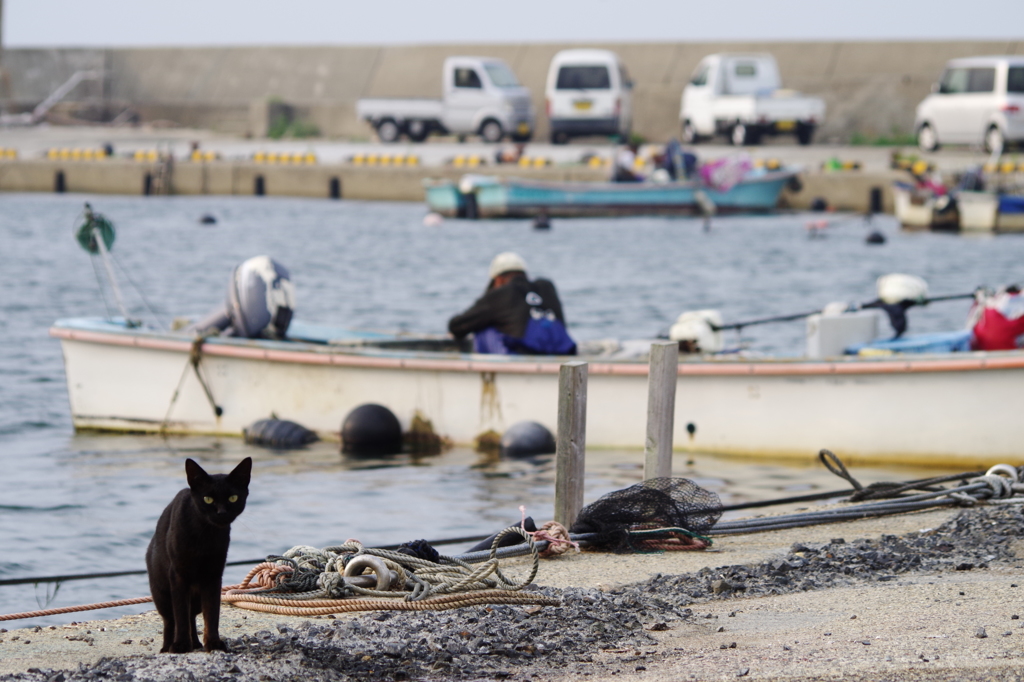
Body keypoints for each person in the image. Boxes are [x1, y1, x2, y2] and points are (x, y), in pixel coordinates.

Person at [448, 252, 576, 355]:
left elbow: (457, 326)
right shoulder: (546, 286)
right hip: (562, 353)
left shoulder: (501, 293)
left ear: (498, 279)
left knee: (484, 329)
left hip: (525, 354)